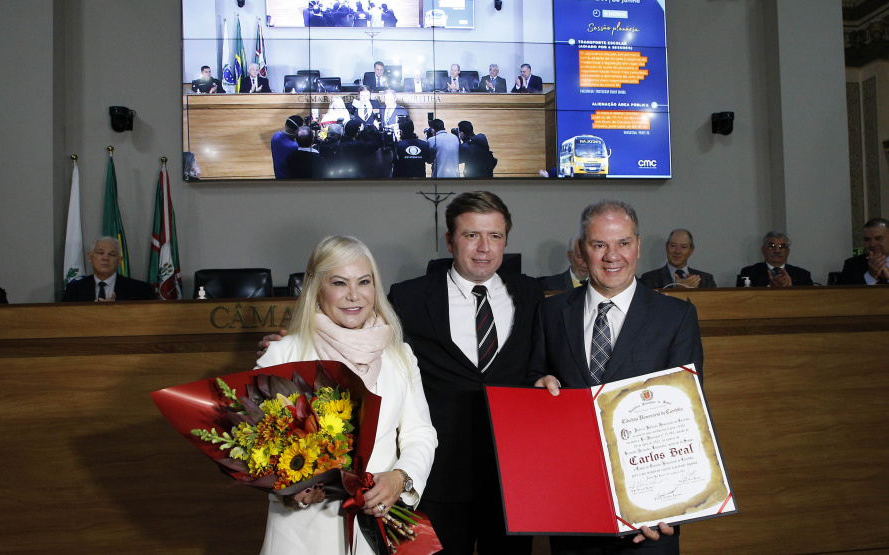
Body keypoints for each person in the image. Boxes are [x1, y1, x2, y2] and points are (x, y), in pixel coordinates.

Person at [260, 192, 543, 555]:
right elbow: (349, 326)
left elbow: (546, 363)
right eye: (471, 235)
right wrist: (287, 343)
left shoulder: (533, 294)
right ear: (450, 240)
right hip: (435, 488)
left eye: (495, 236)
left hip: (509, 479)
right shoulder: (408, 299)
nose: (484, 247)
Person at [528, 199, 703, 555]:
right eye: (599, 244)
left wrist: (673, 503)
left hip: (650, 515)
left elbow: (689, 414)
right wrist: (536, 387)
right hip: (572, 508)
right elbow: (534, 376)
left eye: (623, 243)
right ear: (581, 250)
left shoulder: (677, 317)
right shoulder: (550, 311)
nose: (613, 256)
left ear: (637, 247)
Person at [256, 236, 437, 555]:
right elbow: (258, 448)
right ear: (317, 289)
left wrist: (400, 478)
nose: (354, 295)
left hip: (378, 524)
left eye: (364, 282)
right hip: (301, 533)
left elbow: (420, 434)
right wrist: (288, 488)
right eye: (339, 283)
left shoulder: (400, 355)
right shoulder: (281, 356)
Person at [62, 236, 154, 302]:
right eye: (100, 253)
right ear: (90, 257)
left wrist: (115, 310)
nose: (105, 258)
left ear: (119, 260)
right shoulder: (74, 290)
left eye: (112, 254)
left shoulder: (140, 291)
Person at [640, 229, 717, 289]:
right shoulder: (649, 278)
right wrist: (677, 290)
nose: (677, 251)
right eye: (673, 246)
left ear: (691, 250)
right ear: (667, 247)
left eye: (683, 247)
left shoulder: (706, 280)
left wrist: (695, 293)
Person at [736, 231, 813, 287]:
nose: (777, 251)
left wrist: (790, 289)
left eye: (782, 247)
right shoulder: (749, 273)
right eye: (772, 246)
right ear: (763, 250)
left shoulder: (802, 275)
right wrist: (770, 287)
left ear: (788, 251)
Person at [840, 217, 889, 285]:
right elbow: (847, 294)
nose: (872, 244)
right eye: (867, 239)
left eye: (878, 239)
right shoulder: (852, 265)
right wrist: (871, 275)